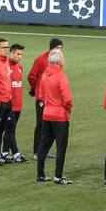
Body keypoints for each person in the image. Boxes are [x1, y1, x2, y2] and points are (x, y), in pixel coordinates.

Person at [34, 49, 73, 184]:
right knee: (61, 146)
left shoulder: (45, 75)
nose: (64, 59)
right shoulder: (60, 76)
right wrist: (68, 109)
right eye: (63, 57)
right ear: (58, 61)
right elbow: (67, 98)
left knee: (44, 145)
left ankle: (40, 174)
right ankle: (58, 176)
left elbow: (40, 96)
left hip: (47, 114)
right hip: (60, 116)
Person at [28, 37, 63, 157]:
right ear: (51, 48)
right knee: (41, 124)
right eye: (57, 48)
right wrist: (35, 89)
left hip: (52, 99)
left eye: (61, 48)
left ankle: (44, 151)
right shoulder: (41, 60)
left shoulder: (57, 61)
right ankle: (37, 151)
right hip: (42, 98)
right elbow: (31, 76)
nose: (59, 50)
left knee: (48, 126)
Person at [2, 43, 26, 163]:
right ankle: (16, 154)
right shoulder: (5, 67)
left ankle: (5, 152)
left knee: (11, 129)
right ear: (11, 53)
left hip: (18, 104)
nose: (20, 56)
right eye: (18, 54)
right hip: (8, 105)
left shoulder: (20, 67)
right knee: (10, 129)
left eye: (21, 54)